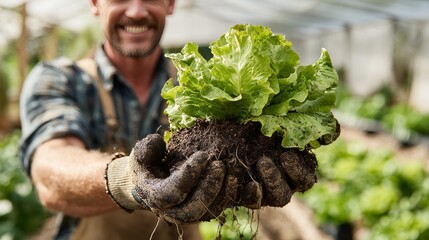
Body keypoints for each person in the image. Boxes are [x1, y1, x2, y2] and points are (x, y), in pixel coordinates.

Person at [19, 0, 320, 239]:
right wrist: (129, 180)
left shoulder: (199, 88)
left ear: (171, 3)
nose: (136, 11)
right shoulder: (60, 80)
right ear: (95, 3)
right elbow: (50, 172)